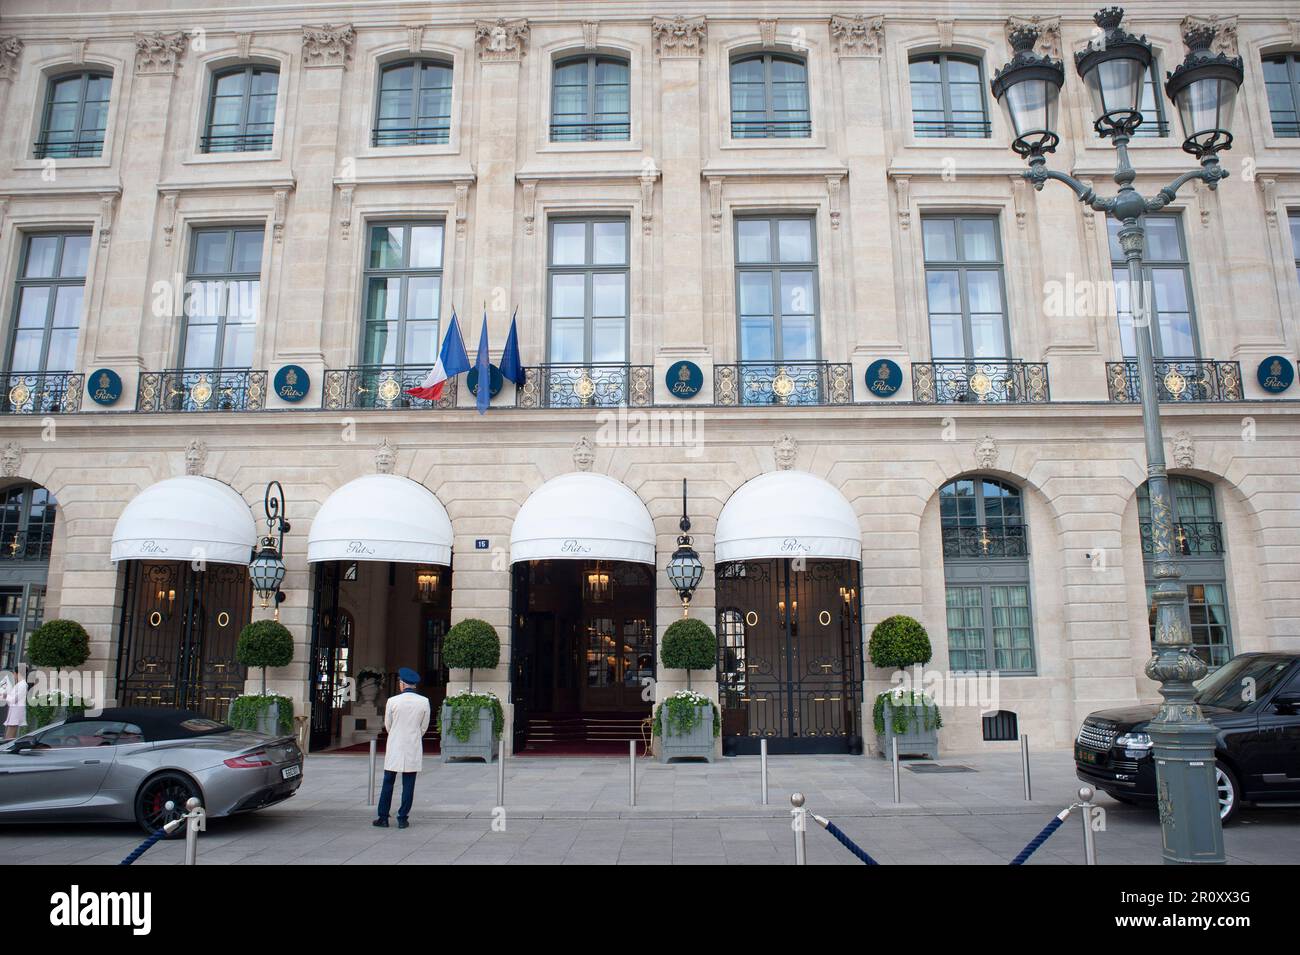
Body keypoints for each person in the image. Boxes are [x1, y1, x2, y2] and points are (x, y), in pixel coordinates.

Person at [373, 667, 430, 830]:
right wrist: (413, 735)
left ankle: (383, 817)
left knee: (388, 782)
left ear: (402, 684)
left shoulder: (392, 701)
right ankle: (403, 818)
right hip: (412, 745)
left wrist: (397, 735)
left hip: (395, 746)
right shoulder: (424, 702)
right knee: (409, 784)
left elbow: (388, 725)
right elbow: (423, 727)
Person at [4, 664, 28, 741]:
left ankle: (6, 748)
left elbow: (14, 699)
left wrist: (5, 696)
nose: (13, 674)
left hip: (17, 710)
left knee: (11, 732)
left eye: (14, 673)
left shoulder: (23, 685)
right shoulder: (19, 684)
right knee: (10, 731)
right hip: (14, 710)